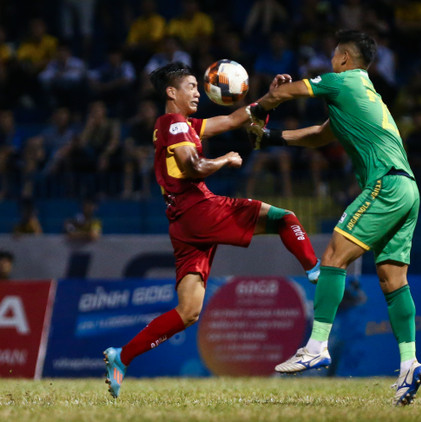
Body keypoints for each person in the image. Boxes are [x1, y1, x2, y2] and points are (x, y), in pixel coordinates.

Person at [102, 62, 320, 398]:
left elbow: (234, 119)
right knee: (285, 218)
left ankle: (122, 357)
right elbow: (193, 166)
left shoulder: (182, 125)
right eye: (190, 86)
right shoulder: (175, 124)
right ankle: (319, 273)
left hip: (182, 222)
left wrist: (271, 98)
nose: (197, 92)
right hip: (199, 208)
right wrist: (226, 160)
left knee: (188, 311)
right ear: (171, 92)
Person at [249, 30, 421, 406]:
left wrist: (258, 108)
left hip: (386, 184)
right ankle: (409, 364)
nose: (329, 61)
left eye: (333, 55)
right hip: (408, 188)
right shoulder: (362, 94)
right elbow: (319, 135)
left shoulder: (341, 81)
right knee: (393, 280)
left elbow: (286, 93)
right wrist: (271, 137)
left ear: (345, 58)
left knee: (332, 257)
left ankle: (316, 346)